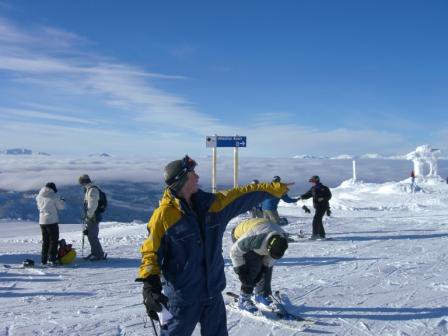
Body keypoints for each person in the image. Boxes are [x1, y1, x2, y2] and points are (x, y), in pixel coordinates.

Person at [136, 155, 292, 336]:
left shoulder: (213, 205)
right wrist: (150, 284)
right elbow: (150, 251)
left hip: (213, 295)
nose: (197, 176)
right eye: (193, 172)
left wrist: (274, 189)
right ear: (182, 179)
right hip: (182, 298)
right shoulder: (163, 216)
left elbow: (244, 194)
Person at [230, 218, 288, 312]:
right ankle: (244, 298)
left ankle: (261, 294)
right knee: (254, 266)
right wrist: (241, 272)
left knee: (266, 267)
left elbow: (270, 259)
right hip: (239, 234)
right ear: (268, 247)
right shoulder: (255, 239)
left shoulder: (282, 239)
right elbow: (234, 252)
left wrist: (264, 269)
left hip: (263, 233)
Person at [36, 182, 65, 266]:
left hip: (42, 221)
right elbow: (61, 207)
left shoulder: (39, 196)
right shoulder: (53, 196)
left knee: (45, 241)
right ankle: (52, 259)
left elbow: (39, 207)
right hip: (52, 221)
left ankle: (43, 260)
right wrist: (62, 201)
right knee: (54, 241)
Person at [79, 174, 106, 261]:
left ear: (84, 182)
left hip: (93, 217)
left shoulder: (92, 190)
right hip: (93, 216)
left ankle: (98, 254)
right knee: (91, 235)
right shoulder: (89, 189)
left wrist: (88, 216)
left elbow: (92, 205)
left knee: (92, 236)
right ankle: (95, 252)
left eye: (81, 182)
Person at [298, 175, 332, 240]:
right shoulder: (313, 188)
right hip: (317, 207)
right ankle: (322, 235)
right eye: (311, 181)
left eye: (312, 181)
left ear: (316, 180)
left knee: (316, 220)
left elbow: (329, 196)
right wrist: (302, 196)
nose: (312, 182)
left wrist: (323, 198)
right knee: (319, 220)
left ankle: (315, 235)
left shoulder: (324, 188)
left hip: (324, 206)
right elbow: (307, 195)